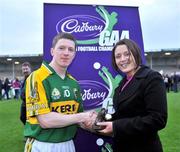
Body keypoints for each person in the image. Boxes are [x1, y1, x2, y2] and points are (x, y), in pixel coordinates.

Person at [24, 32, 96, 152]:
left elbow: (77, 119)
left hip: (68, 144)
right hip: (42, 144)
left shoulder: (74, 83)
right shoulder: (37, 77)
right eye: (61, 48)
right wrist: (82, 116)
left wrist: (95, 122)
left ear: (74, 54)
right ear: (52, 51)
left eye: (70, 49)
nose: (66, 53)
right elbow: (45, 120)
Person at [96, 39, 167, 152]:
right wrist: (103, 118)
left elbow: (157, 119)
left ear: (136, 53)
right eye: (118, 56)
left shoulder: (152, 78)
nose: (122, 59)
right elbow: (124, 114)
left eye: (127, 54)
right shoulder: (122, 83)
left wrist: (116, 127)